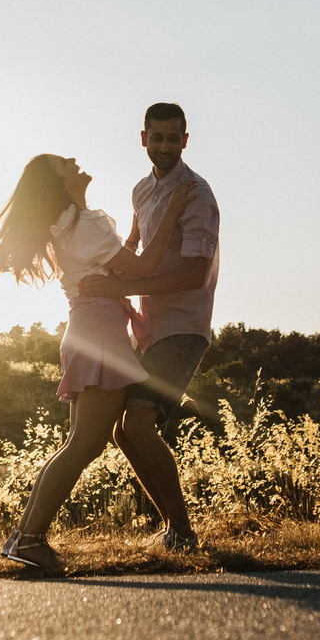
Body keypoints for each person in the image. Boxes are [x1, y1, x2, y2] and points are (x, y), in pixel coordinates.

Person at [0, 153, 195, 569]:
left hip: (87, 328)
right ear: (59, 185)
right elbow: (145, 267)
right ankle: (28, 538)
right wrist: (171, 209)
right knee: (85, 443)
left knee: (78, 442)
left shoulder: (72, 225)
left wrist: (132, 234)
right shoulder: (85, 223)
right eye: (65, 164)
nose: (74, 161)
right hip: (100, 334)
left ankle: (22, 537)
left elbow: (121, 264)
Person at [78, 102, 219, 552]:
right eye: (155, 138)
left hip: (183, 328)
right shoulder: (142, 190)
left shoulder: (197, 194)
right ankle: (174, 530)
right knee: (123, 430)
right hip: (146, 328)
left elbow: (195, 275)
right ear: (143, 139)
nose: (163, 146)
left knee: (137, 427)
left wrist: (134, 279)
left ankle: (183, 534)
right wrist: (108, 276)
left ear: (185, 140)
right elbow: (135, 247)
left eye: (172, 138)